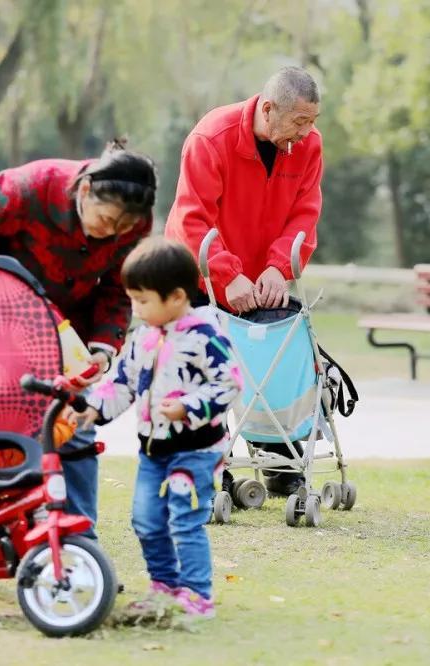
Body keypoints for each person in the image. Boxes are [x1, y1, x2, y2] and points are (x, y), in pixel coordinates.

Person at [0, 140, 157, 538]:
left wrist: (103, 345)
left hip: (67, 335)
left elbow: (116, 285)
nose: (111, 233)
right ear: (86, 190)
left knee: (75, 424)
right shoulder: (27, 189)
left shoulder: (133, 224)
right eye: (107, 220)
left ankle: (77, 541)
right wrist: (3, 292)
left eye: (123, 228)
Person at [164, 66, 323, 497]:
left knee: (273, 369)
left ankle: (280, 460)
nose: (306, 134)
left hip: (263, 277)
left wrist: (278, 266)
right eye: (299, 122)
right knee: (202, 373)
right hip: (200, 275)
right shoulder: (211, 138)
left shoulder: (308, 147)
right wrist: (226, 273)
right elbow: (190, 217)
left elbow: (305, 213)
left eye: (312, 122)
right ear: (268, 109)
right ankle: (209, 464)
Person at [74, 237, 242, 618]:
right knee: (146, 520)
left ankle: (197, 595)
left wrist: (189, 407)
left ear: (178, 297)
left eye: (143, 300)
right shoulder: (142, 339)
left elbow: (229, 383)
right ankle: (163, 585)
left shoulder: (204, 335)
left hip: (197, 450)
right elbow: (121, 383)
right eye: (133, 299)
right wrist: (91, 409)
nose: (136, 309)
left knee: (185, 519)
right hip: (153, 450)